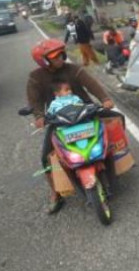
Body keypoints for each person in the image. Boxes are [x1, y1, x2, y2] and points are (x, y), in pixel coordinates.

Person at [27, 39, 114, 213]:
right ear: (43, 60)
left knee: (111, 134)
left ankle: (111, 175)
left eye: (61, 54)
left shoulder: (73, 69)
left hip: (86, 114)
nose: (60, 58)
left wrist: (104, 98)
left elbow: (91, 83)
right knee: (46, 157)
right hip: (58, 121)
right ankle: (55, 193)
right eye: (54, 56)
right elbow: (34, 99)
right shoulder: (36, 77)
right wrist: (39, 115)